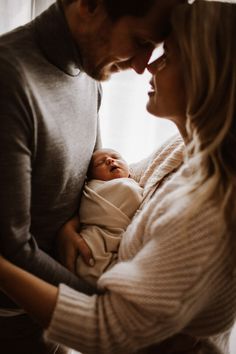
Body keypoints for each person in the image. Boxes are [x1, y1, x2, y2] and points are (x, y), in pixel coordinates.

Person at [1, 0, 236, 353]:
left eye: (164, 53)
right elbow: (107, 181)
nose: (145, 66)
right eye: (143, 42)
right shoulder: (181, 152)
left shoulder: (209, 208)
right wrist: (76, 219)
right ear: (90, 5)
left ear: (208, 77)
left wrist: (136, 329)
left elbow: (110, 327)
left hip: (60, 317)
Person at [69, 148, 143, 285]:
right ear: (90, 178)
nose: (110, 160)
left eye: (116, 157)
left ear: (129, 172)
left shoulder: (134, 182)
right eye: (100, 163)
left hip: (119, 239)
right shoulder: (93, 188)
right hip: (94, 237)